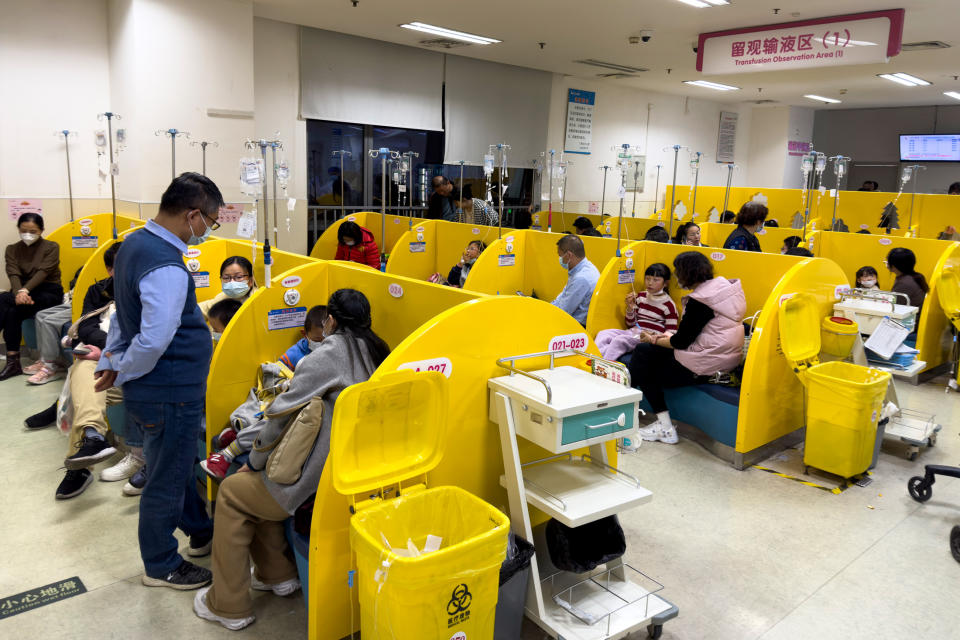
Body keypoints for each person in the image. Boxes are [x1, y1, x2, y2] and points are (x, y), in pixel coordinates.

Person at [194, 289, 390, 630]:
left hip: (310, 477)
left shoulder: (326, 356)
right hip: (352, 471)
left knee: (232, 492)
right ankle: (278, 574)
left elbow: (280, 416)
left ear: (330, 320)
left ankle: (228, 605)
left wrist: (252, 459)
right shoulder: (379, 351)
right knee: (254, 493)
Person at [94, 172, 221, 590]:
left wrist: (113, 359)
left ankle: (200, 529)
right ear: (193, 215)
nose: (208, 231)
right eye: (211, 222)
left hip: (156, 389)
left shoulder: (133, 244)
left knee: (175, 465)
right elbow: (153, 338)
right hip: (169, 391)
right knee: (165, 480)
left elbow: (123, 313)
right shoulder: (166, 265)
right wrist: (126, 366)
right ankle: (162, 565)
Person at [627, 252, 746, 444]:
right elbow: (701, 333)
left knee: (644, 362)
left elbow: (681, 342)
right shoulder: (723, 290)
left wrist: (653, 339)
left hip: (705, 364)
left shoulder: (701, 302)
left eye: (677, 271)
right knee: (646, 353)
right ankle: (628, 407)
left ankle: (660, 426)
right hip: (724, 358)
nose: (676, 276)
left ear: (686, 273)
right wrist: (662, 338)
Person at [53, 243, 139, 499]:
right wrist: (105, 349)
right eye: (119, 267)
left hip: (132, 367)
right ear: (110, 270)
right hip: (103, 366)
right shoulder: (98, 291)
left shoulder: (146, 292)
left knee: (84, 379)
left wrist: (110, 351)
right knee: (85, 369)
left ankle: (83, 461)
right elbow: (86, 327)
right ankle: (92, 437)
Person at [1, 213, 63, 380]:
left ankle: (13, 363)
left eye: (33, 231)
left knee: (4, 301)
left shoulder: (52, 247)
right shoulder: (12, 249)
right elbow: (13, 273)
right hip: (23, 292)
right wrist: (19, 293)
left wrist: (24, 291)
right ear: (18, 229)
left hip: (48, 291)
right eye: (24, 230)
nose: (28, 234)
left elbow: (43, 272)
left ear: (41, 230)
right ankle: (13, 363)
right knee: (12, 311)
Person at [595, 263, 678, 361]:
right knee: (604, 334)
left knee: (619, 340)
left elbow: (671, 332)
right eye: (647, 278)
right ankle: (595, 358)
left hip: (647, 338)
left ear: (666, 283)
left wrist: (655, 337)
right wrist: (630, 308)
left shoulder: (668, 304)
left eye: (656, 280)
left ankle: (605, 365)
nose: (650, 283)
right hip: (634, 332)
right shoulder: (641, 296)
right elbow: (631, 324)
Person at [24, 267, 82, 385]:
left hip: (82, 303)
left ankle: (50, 366)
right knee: (40, 315)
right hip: (74, 300)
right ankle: (43, 359)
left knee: (49, 321)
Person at [550, 235, 600, 326]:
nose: (560, 259)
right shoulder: (585, 268)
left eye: (560, 256)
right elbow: (563, 297)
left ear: (569, 255)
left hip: (576, 326)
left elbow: (563, 311)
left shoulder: (581, 278)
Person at [199, 257, 257, 321]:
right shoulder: (224, 297)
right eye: (226, 278)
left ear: (251, 280)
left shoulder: (256, 299)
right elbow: (203, 309)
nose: (232, 282)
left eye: (238, 277)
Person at [279, 305, 329, 371]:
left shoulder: (335, 350)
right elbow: (278, 374)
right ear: (305, 334)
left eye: (327, 339)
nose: (323, 344)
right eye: (318, 340)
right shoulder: (292, 355)